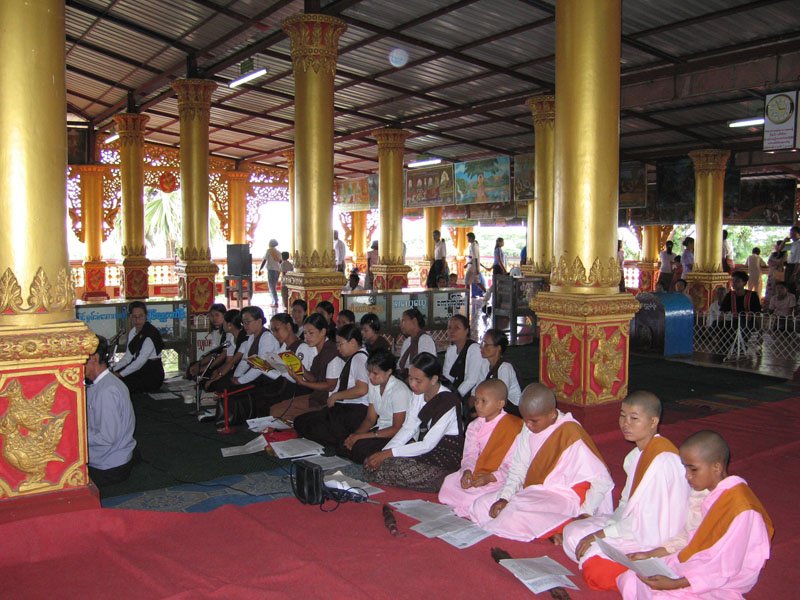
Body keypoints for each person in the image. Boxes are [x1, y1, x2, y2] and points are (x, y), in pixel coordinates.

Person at [617, 431, 773, 599]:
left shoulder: (741, 509)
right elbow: (689, 535)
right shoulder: (705, 492)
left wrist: (675, 584)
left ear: (717, 467)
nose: (687, 476)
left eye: (693, 469)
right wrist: (651, 554)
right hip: (696, 561)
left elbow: (725, 566)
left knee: (661, 596)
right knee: (631, 578)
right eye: (685, 468)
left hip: (721, 578)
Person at [562, 392, 689, 591]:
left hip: (651, 538)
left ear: (653, 421)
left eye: (634, 418)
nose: (625, 424)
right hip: (629, 526)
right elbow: (625, 504)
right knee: (571, 533)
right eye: (622, 416)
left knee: (595, 566)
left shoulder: (662, 461)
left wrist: (602, 534)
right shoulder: (634, 456)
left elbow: (648, 522)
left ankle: (640, 574)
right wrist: (605, 531)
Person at [469, 383, 613, 542]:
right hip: (533, 491)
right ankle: (543, 527)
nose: (528, 425)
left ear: (552, 414)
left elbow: (602, 481)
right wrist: (504, 497)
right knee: (480, 506)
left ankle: (564, 526)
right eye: (525, 420)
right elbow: (519, 467)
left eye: (533, 421)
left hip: (562, 496)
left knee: (511, 516)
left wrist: (585, 514)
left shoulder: (570, 433)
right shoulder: (529, 426)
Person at [364, 352, 464, 492]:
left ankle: (447, 480)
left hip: (444, 459)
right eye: (410, 379)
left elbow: (428, 444)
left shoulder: (448, 401)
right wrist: (383, 453)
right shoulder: (419, 394)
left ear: (434, 379)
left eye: (418, 380)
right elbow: (408, 428)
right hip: (426, 452)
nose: (412, 384)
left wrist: (388, 454)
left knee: (395, 468)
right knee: (375, 461)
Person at [438, 380, 521, 518]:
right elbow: (469, 455)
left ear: (500, 404)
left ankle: (473, 503)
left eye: (483, 401)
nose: (477, 405)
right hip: (478, 473)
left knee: (478, 496)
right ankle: (470, 502)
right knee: (449, 482)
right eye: (476, 400)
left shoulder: (514, 427)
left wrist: (490, 477)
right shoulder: (474, 426)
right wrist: (467, 471)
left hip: (500, 478)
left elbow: (513, 464)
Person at [293, 323, 369, 448]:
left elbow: (362, 389)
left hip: (354, 410)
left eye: (340, 344)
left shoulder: (359, 359)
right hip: (346, 408)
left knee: (302, 423)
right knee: (303, 421)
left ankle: (340, 441)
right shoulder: (355, 357)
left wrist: (336, 396)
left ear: (353, 342)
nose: (338, 348)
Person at [340, 349, 410, 463]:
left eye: (375, 373)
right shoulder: (374, 385)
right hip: (381, 429)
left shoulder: (399, 390)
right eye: (369, 372)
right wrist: (355, 436)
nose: (371, 376)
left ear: (388, 372)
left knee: (361, 449)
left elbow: (397, 429)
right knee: (346, 444)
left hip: (399, 435)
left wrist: (362, 437)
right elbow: (370, 419)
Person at [85, 336, 136, 486]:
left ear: (94, 358)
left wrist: (76, 436)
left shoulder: (107, 390)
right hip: (111, 458)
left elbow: (106, 438)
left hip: (109, 466)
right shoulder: (103, 384)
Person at [270, 313, 340, 422]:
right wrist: (300, 368)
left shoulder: (331, 352)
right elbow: (314, 378)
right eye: (305, 333)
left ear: (323, 332)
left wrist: (303, 383)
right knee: (275, 411)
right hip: (317, 396)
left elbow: (330, 386)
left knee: (294, 418)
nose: (307, 337)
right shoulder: (318, 351)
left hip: (330, 399)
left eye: (311, 333)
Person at [218, 306, 280, 424]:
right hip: (256, 375)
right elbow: (245, 360)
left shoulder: (267, 337)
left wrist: (240, 380)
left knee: (235, 387)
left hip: (268, 378)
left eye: (248, 322)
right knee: (227, 383)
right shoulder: (251, 337)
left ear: (259, 321)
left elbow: (261, 366)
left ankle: (238, 418)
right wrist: (236, 376)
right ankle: (230, 417)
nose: (245, 326)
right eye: (243, 323)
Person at [113, 301, 165, 394]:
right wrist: (113, 369)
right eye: (134, 317)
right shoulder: (133, 332)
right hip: (139, 369)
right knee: (113, 378)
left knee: (121, 383)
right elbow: (128, 357)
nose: (137, 320)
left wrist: (120, 374)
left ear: (146, 316)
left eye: (140, 316)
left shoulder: (150, 333)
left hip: (151, 372)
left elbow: (140, 361)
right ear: (130, 317)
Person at [477, 329, 522, 412]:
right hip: (491, 403)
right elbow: (479, 385)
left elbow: (500, 396)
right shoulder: (485, 364)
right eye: (482, 343)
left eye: (486, 345)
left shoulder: (505, 368)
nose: (481, 347)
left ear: (498, 348)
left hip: (510, 409)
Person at [204, 309, 246, 392]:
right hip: (234, 369)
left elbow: (232, 362)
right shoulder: (230, 336)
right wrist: (217, 371)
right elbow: (228, 360)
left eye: (224, 322)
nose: (222, 325)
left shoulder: (245, 338)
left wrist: (217, 377)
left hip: (243, 371)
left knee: (217, 384)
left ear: (229, 325)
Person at [187, 303, 227, 380]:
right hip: (215, 359)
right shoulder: (215, 331)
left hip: (222, 362)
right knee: (192, 366)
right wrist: (199, 364)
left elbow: (223, 355)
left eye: (217, 315)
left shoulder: (227, 333)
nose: (214, 318)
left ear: (224, 315)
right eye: (211, 316)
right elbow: (214, 353)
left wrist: (206, 367)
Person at [396, 308, 437, 380]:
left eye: (403, 320)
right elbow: (400, 364)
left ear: (414, 321)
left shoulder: (425, 340)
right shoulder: (407, 341)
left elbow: (425, 367)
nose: (400, 325)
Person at [259, 239, 282, 308]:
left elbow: (264, 260)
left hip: (271, 270)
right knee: (273, 286)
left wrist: (260, 269)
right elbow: (280, 262)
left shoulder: (269, 251)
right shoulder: (278, 252)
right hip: (277, 270)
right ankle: (275, 300)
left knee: (271, 287)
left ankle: (275, 302)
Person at [784, 225, 800, 295]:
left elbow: (798, 261)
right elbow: (780, 249)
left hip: (795, 267)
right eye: (791, 233)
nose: (792, 235)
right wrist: (784, 241)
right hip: (789, 266)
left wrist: (795, 273)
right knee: (787, 285)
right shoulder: (793, 244)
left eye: (794, 233)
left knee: (793, 286)